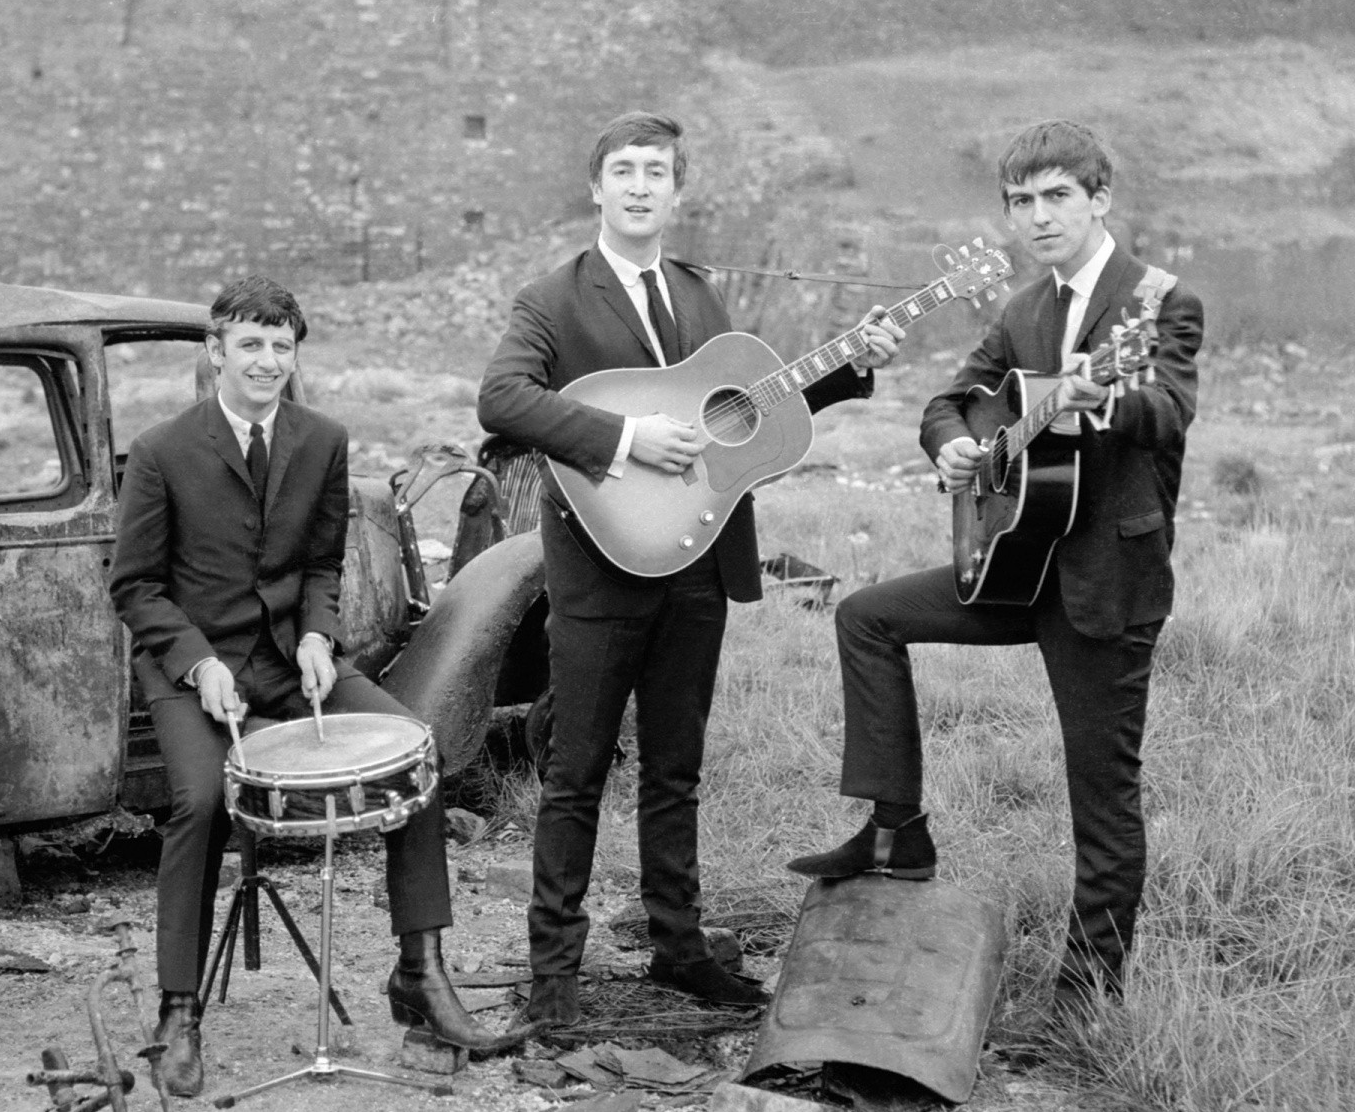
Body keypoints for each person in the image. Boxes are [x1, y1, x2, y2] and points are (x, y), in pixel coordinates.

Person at [477, 111, 901, 1027]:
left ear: (677, 191)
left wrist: (849, 365)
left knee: (677, 770)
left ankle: (679, 947)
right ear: (597, 189)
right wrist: (626, 436)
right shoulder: (552, 299)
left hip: (699, 564)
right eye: (623, 170)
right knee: (575, 773)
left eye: (656, 172)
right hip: (597, 569)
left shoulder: (701, 300)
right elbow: (502, 398)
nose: (639, 185)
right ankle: (555, 977)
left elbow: (747, 410)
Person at [788, 120, 1203, 1018]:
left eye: (1058, 196)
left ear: (1100, 200)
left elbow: (1169, 411)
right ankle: (897, 832)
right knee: (867, 616)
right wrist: (962, 449)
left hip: (1103, 584)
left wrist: (1102, 399)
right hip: (1014, 566)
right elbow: (949, 402)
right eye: (1022, 200)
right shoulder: (1024, 308)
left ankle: (1085, 1000)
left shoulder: (1159, 300)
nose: (1039, 215)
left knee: (1099, 793)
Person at [109, 276, 507, 1097]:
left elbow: (321, 563)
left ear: (296, 357)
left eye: (280, 347)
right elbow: (136, 588)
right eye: (248, 345)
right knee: (197, 800)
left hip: (293, 662)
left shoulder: (323, 439)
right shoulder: (160, 452)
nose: (265, 361)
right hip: (197, 669)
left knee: (414, 755)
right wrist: (200, 664)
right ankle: (177, 1012)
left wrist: (321, 635)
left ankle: (420, 973)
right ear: (216, 351)